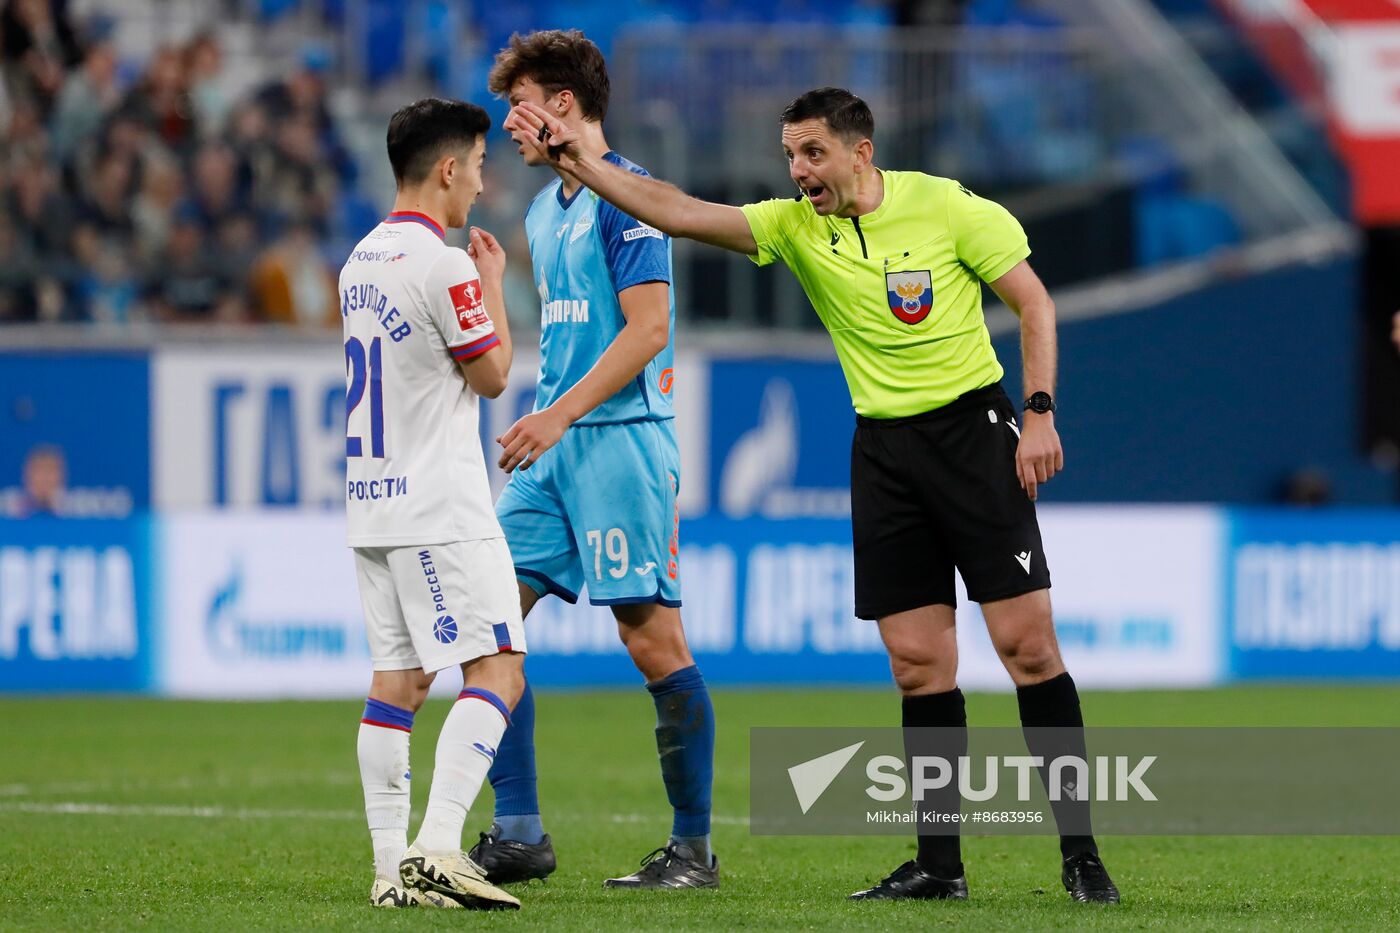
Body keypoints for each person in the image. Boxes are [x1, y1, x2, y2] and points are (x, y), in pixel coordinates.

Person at [506, 86, 1119, 905]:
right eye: (790, 156)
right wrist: (575, 157)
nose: (798, 172)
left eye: (813, 154)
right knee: (916, 663)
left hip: (975, 436)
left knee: (1028, 647)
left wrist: (1039, 412)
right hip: (884, 452)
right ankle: (941, 866)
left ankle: (1080, 854)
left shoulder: (945, 207)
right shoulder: (795, 227)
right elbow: (676, 209)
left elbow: (1034, 302)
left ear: (860, 151)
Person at [467, 29, 718, 891]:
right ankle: (519, 831)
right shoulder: (543, 211)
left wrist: (558, 416)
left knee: (651, 639)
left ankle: (693, 850)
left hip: (619, 441)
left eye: (520, 104)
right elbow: (578, 330)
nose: (508, 124)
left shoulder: (632, 196)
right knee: (483, 615)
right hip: (556, 446)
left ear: (563, 106)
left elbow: (649, 330)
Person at [341, 97, 522, 911]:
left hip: (371, 502)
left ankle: (389, 872)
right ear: (448, 168)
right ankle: (439, 845)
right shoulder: (444, 265)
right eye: (480, 167)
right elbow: (491, 377)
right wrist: (491, 286)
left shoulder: (358, 261)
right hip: (438, 504)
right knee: (499, 667)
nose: (482, 186)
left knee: (399, 680)